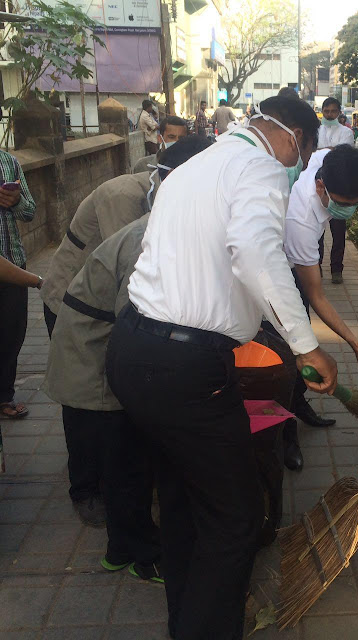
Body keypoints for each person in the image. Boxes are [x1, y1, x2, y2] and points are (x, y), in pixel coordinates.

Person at [105, 95, 337, 640]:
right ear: (293, 136)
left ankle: (185, 623)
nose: (298, 164)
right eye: (305, 151)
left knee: (185, 502)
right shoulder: (260, 166)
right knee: (236, 520)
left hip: (133, 348)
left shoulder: (195, 165)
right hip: (184, 370)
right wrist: (306, 346)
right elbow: (257, 252)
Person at [43, 137, 212, 580]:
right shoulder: (147, 236)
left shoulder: (165, 224)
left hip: (111, 338)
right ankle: (136, 551)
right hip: (95, 343)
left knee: (124, 456)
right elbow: (135, 320)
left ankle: (121, 545)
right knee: (122, 457)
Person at [282, 144, 358, 470]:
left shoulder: (332, 160)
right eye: (342, 204)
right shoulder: (301, 222)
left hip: (301, 255)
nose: (348, 211)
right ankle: (286, 432)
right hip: (277, 272)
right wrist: (354, 342)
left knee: (300, 341)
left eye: (355, 204)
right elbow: (316, 294)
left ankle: (300, 404)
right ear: (321, 187)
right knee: (288, 351)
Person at [41, 167, 160, 337]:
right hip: (73, 304)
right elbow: (126, 269)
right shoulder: (123, 195)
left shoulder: (155, 190)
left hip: (96, 304)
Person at [0, 150, 36, 420]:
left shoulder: (9, 162)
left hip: (12, 260)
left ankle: (4, 395)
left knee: (12, 334)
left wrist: (17, 201)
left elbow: (30, 212)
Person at [317, 97, 355, 286]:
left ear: (339, 112)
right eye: (326, 111)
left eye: (333, 111)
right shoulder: (317, 131)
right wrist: (329, 150)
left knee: (338, 233)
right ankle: (316, 268)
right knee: (317, 231)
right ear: (322, 111)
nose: (329, 114)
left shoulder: (346, 132)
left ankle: (336, 270)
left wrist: (324, 151)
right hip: (319, 187)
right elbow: (322, 153)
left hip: (339, 188)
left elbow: (341, 154)